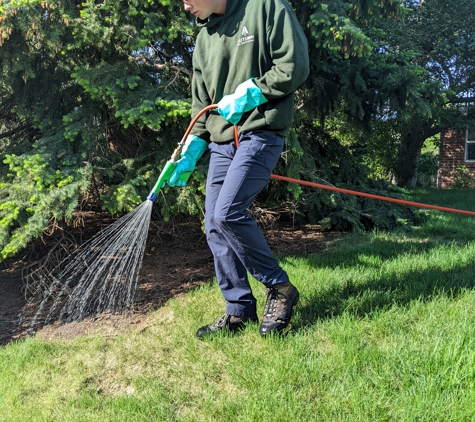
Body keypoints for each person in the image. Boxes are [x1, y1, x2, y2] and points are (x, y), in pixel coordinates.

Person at [169, 0, 309, 338]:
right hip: (221, 144)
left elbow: (294, 65)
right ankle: (238, 310)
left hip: (260, 132)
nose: (185, 6)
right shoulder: (204, 38)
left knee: (228, 213)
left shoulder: (265, 8)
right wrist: (191, 148)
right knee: (213, 224)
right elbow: (202, 105)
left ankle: (280, 289)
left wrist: (252, 93)